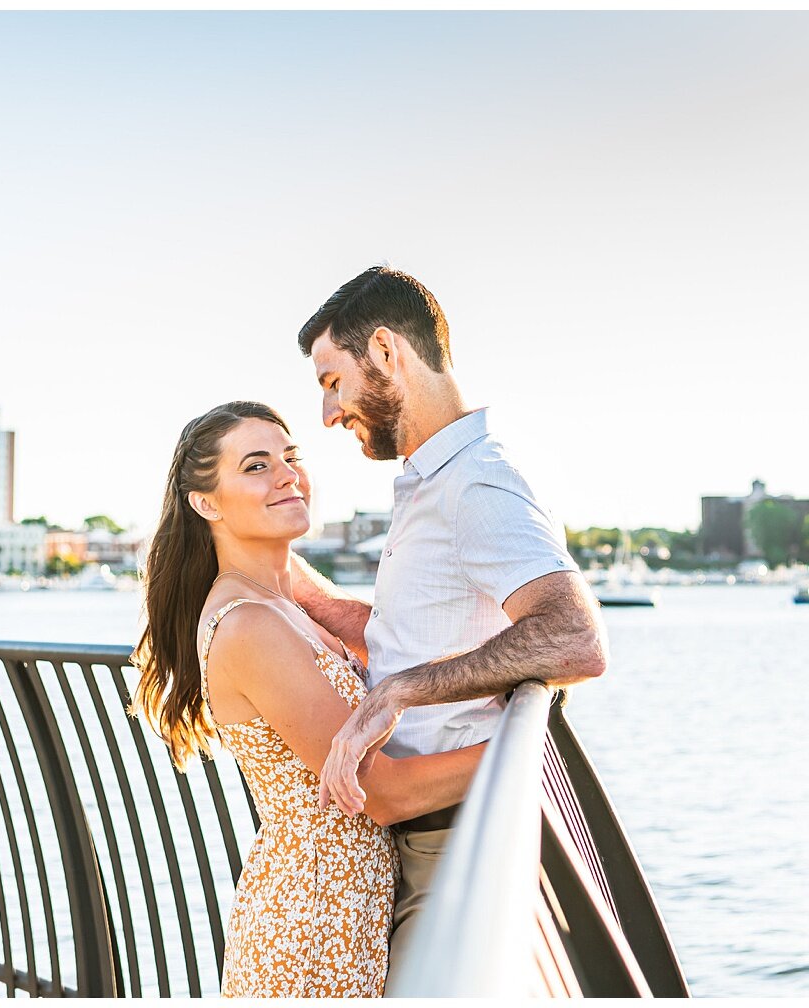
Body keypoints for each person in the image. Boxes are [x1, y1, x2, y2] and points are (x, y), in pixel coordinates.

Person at [286, 266, 610, 981]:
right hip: (428, 836)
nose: (329, 414)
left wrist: (398, 691)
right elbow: (416, 631)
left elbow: (575, 637)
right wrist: (263, 567)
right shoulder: (434, 479)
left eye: (332, 381)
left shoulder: (477, 483)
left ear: (386, 351)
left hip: (453, 847)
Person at [132, 400, 486, 998]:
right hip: (316, 923)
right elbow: (383, 793)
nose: (287, 474)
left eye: (292, 457)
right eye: (256, 465)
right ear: (206, 503)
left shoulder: (281, 599)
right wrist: (519, 754)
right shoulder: (250, 626)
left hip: (345, 904)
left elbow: (387, 640)